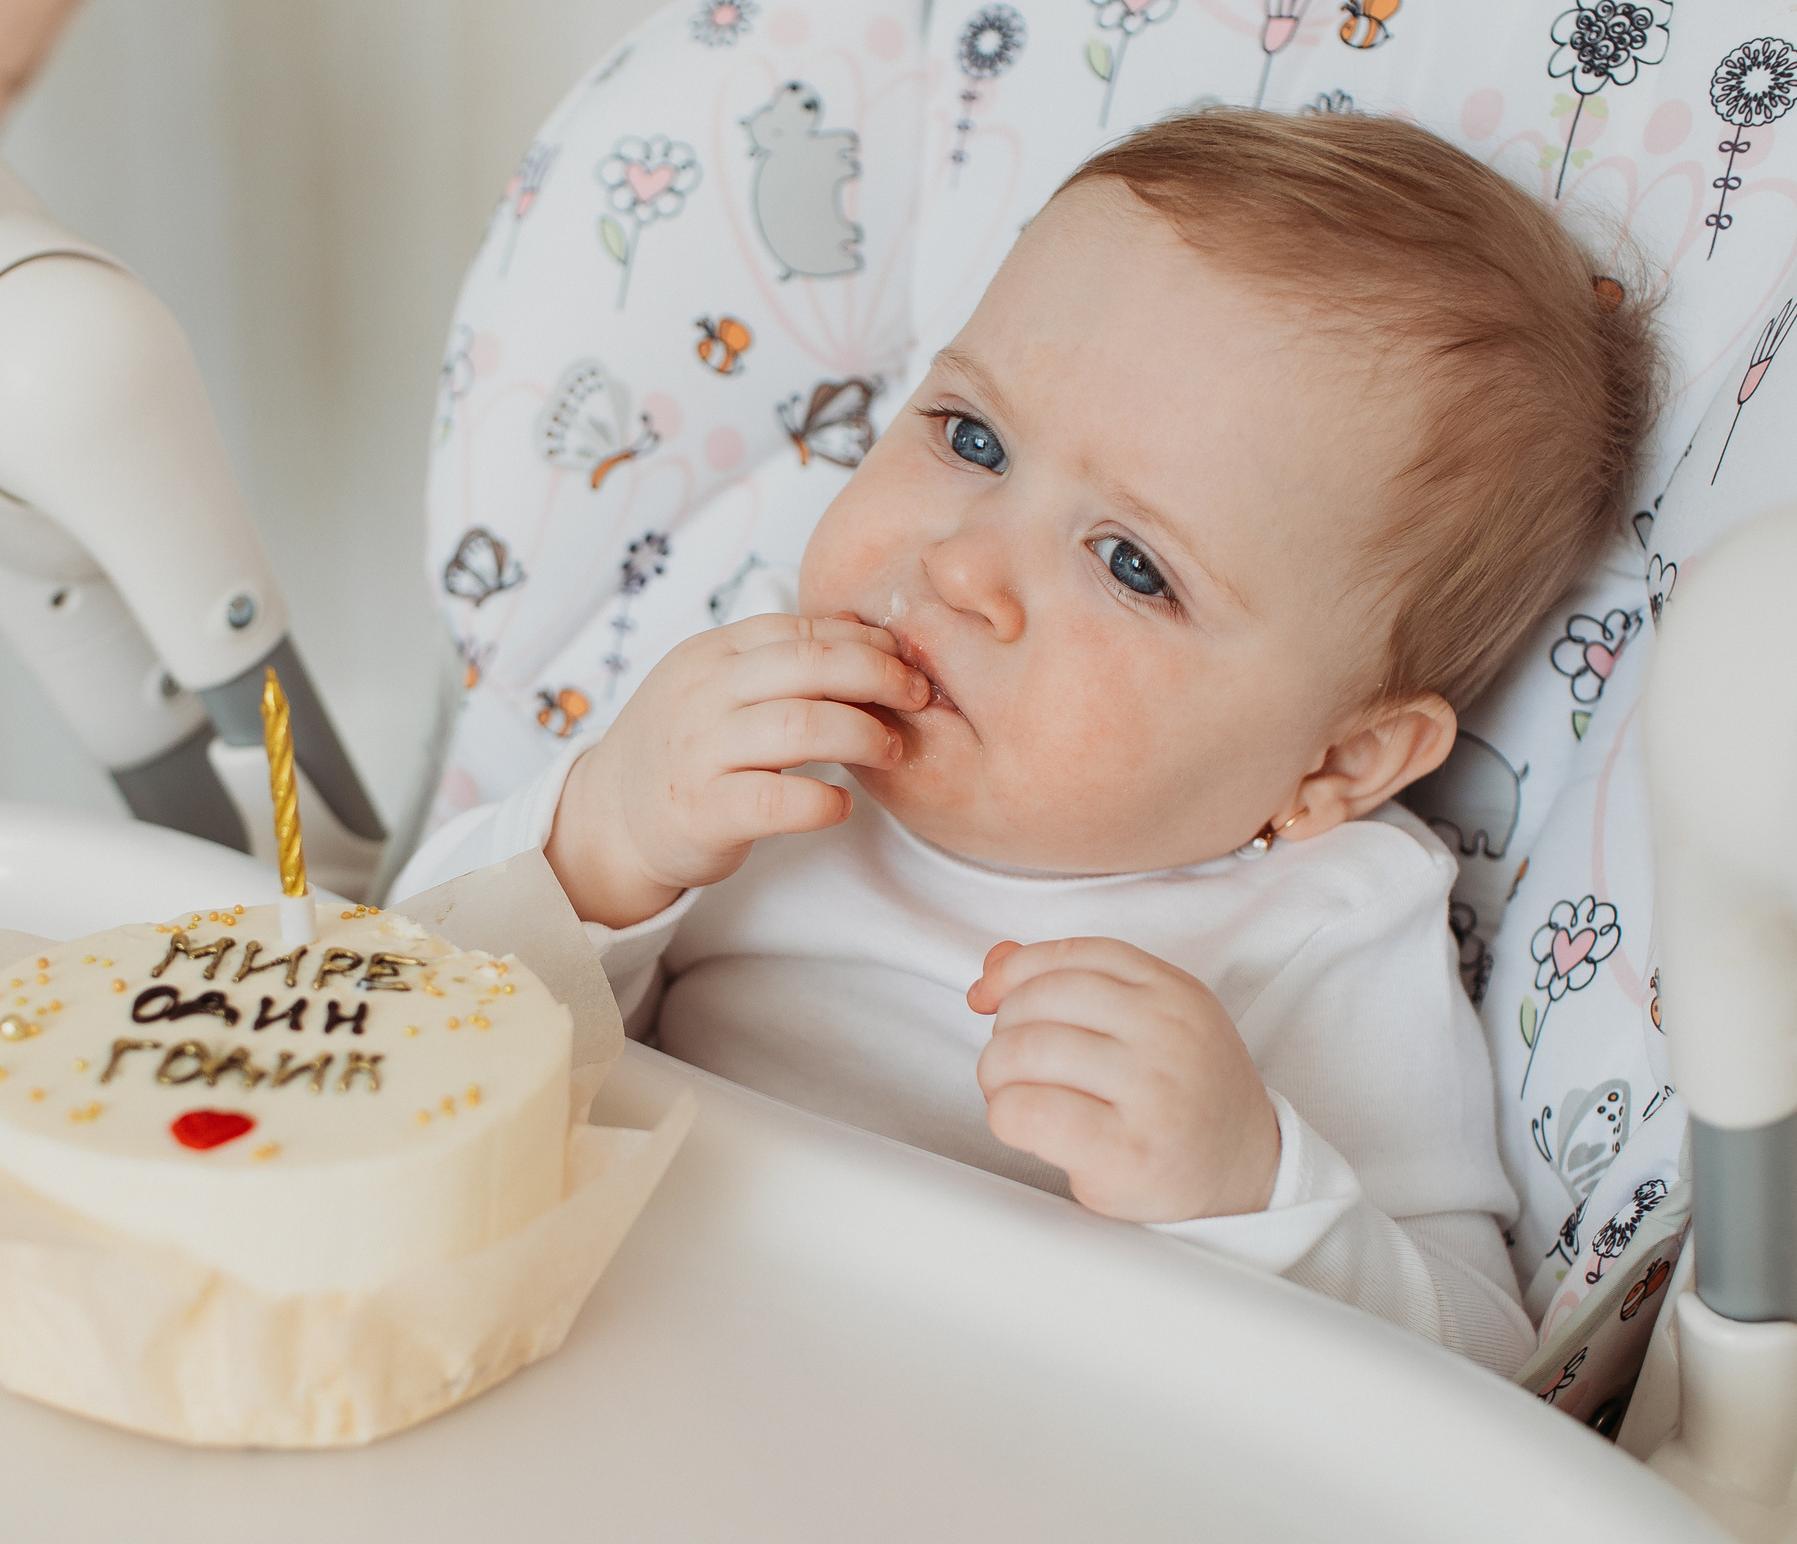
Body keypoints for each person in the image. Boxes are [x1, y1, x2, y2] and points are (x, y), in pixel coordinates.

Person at [397, 108, 1662, 1376]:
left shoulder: (1328, 920)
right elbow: (391, 1035)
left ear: (1336, 766)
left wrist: (1255, 1195)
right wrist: (598, 848)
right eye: (970, 438)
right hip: (612, 1345)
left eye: (1129, 565)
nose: (959, 566)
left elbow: (1486, 1374)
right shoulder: (748, 740)